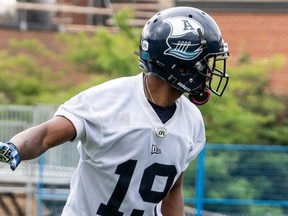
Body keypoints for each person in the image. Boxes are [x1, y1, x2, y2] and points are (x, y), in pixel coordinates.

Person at [0, 6, 229, 216]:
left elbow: (172, 188)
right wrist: (14, 147)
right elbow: (45, 136)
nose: (210, 72)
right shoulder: (108, 100)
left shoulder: (192, 121)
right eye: (205, 62)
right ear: (179, 63)